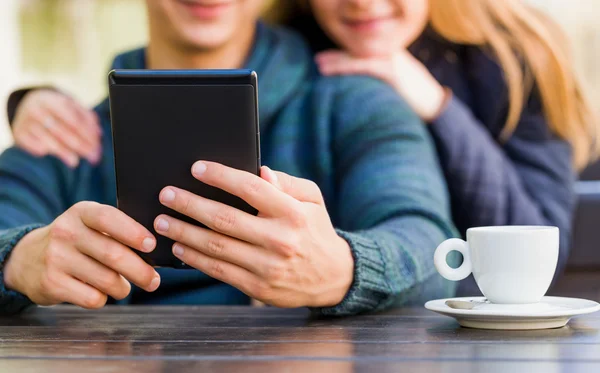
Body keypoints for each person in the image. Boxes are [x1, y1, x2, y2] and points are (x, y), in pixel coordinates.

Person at [0, 0, 457, 315]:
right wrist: (17, 259)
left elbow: (431, 246)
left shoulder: (356, 103)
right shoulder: (70, 132)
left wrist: (344, 268)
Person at [277, 0, 598, 292]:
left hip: (469, 325)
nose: (362, 3)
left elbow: (533, 252)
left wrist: (438, 107)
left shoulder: (514, 54)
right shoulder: (283, 53)